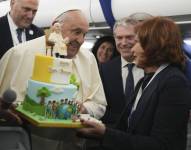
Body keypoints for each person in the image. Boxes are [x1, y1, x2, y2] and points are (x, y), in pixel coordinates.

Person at [77, 17, 191, 150]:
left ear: (154, 46)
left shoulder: (173, 82)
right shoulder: (147, 80)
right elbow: (131, 128)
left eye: (137, 42)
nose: (132, 49)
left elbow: (162, 145)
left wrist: (105, 133)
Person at [25, 9, 107, 150]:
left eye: (84, 34)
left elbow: (99, 104)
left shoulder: (88, 59)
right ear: (55, 26)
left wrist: (85, 108)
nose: (81, 40)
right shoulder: (23, 54)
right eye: (76, 32)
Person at [99, 18, 144, 125]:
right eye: (119, 38)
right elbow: (100, 107)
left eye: (129, 37)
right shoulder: (105, 69)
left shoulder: (151, 66)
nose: (123, 43)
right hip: (113, 134)